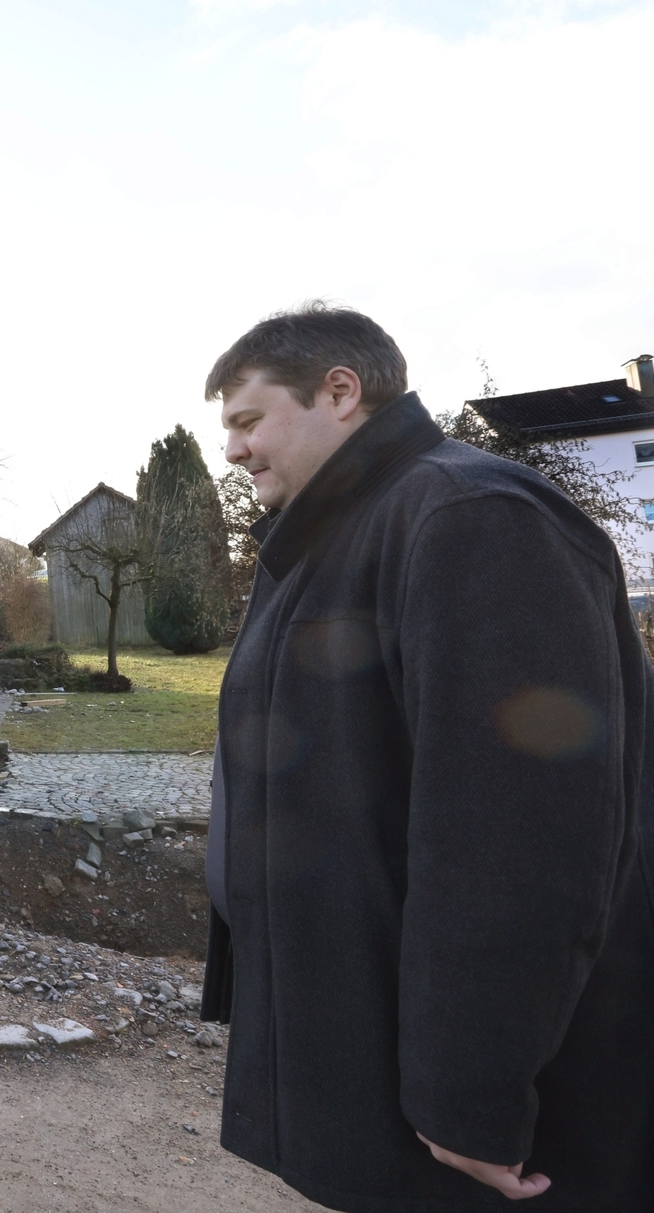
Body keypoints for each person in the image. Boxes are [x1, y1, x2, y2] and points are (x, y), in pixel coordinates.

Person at [202, 302, 654, 1210]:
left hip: (484, 1114)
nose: (234, 452)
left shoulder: (471, 519)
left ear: (340, 391)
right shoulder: (331, 543)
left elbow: (518, 839)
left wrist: (472, 1097)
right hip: (374, 1038)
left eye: (248, 421)